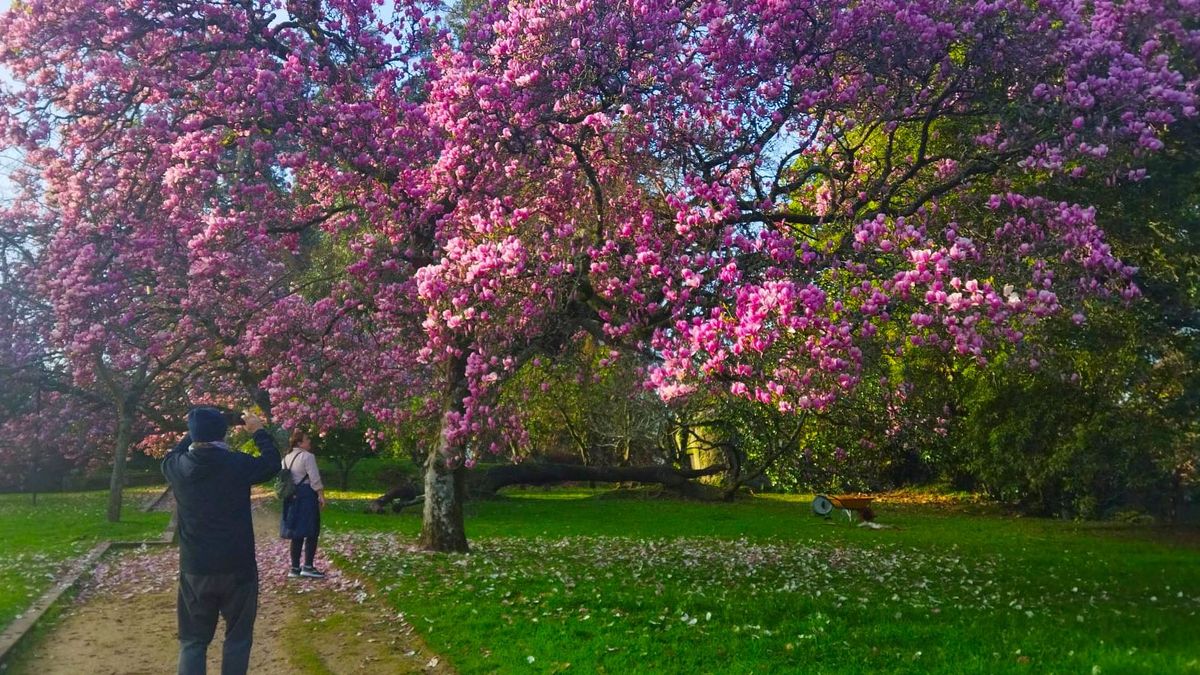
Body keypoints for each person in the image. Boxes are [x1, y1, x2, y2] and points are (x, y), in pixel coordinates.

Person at [162, 407, 280, 675]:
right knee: (238, 639)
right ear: (224, 433)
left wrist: (192, 432)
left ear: (192, 434)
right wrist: (259, 431)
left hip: (196, 568)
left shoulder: (177, 467)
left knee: (193, 641)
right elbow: (272, 463)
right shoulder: (238, 464)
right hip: (237, 565)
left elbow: (172, 454)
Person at [280, 429, 326, 579]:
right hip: (306, 495)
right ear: (300, 443)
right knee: (312, 530)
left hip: (292, 496)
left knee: (296, 532)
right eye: (307, 440)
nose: (309, 442)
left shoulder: (286, 458)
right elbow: (314, 478)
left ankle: (294, 568)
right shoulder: (307, 457)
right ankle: (308, 566)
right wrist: (320, 495)